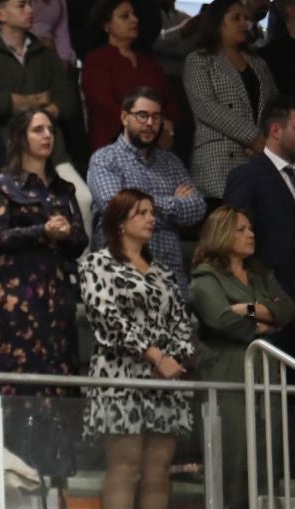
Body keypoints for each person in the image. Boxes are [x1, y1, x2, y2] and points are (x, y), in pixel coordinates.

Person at [81, 188, 197, 509]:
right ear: (119, 221)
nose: (151, 219)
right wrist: (154, 356)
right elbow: (106, 318)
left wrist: (176, 358)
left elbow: (182, 321)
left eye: (152, 212)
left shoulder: (162, 270)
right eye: (142, 212)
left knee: (158, 471)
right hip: (120, 378)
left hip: (165, 383)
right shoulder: (97, 263)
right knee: (125, 465)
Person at [192, 205, 294, 509]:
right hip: (230, 381)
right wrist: (260, 319)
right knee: (236, 476)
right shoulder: (206, 276)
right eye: (241, 229)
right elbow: (220, 319)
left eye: (251, 228)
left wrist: (248, 308)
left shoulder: (260, 274)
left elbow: (286, 310)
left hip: (266, 383)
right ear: (222, 234)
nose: (251, 234)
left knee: (269, 474)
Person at [0, 109, 89, 394]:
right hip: (17, 296)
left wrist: (67, 232)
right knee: (20, 381)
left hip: (57, 292)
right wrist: (41, 231)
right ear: (20, 136)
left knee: (60, 378)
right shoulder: (2, 185)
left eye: (50, 131)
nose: (47, 136)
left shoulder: (62, 189)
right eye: (38, 130)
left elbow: (81, 241)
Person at [86, 88, 205, 293]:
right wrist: (172, 206)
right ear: (124, 117)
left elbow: (197, 209)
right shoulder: (105, 159)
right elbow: (114, 208)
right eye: (142, 115)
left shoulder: (171, 162)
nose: (150, 123)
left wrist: (139, 208)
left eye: (156, 117)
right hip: (122, 276)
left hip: (171, 278)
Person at [185, 0, 278, 200]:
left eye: (245, 18)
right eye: (235, 18)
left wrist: (266, 140)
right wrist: (254, 138)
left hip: (258, 157)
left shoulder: (258, 63)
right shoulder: (199, 60)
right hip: (219, 160)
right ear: (217, 23)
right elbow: (206, 107)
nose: (244, 23)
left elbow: (274, 106)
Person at [0, 0, 85, 166]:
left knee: (82, 193)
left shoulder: (46, 53)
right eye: (21, 5)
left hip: (53, 154)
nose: (30, 10)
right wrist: (39, 101)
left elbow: (68, 100)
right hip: (9, 155)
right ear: (1, 14)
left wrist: (39, 114)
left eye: (29, 3)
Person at [221, 95, 295, 305]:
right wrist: (254, 311)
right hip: (269, 296)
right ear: (275, 131)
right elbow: (231, 241)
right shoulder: (247, 176)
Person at [82, 0, 179, 152]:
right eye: (124, 16)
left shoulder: (148, 61)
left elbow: (169, 102)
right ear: (107, 25)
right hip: (114, 147)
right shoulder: (96, 61)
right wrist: (147, 124)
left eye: (134, 15)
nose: (135, 19)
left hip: (156, 146)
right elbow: (103, 106)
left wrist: (165, 124)